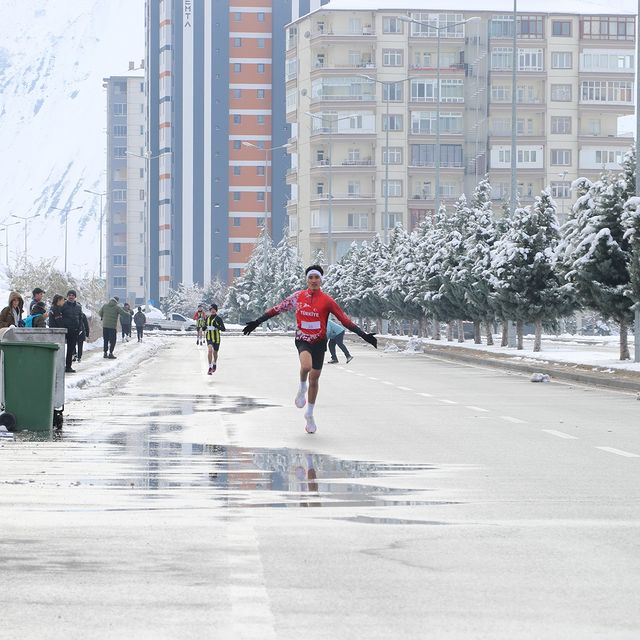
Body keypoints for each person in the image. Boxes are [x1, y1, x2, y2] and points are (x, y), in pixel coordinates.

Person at [243, 265, 377, 434]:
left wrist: (363, 335)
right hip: (302, 339)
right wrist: (256, 322)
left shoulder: (327, 300)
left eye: (317, 278)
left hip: (319, 342)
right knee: (306, 367)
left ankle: (310, 414)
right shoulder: (298, 297)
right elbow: (277, 309)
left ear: (321, 280)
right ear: (307, 280)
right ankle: (301, 387)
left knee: (314, 380)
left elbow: (344, 320)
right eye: (311, 277)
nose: (314, 281)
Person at [61, 289, 83, 373]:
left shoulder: (78, 306)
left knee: (71, 349)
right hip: (64, 330)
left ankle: (68, 366)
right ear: (67, 296)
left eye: (73, 295)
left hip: (74, 330)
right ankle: (59, 365)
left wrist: (80, 328)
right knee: (61, 348)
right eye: (69, 295)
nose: (71, 297)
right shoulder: (63, 305)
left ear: (75, 297)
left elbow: (80, 318)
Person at [205, 304, 225, 374]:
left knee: (215, 352)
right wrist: (205, 327)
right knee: (210, 350)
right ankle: (210, 367)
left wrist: (216, 326)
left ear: (216, 310)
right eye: (211, 309)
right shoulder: (207, 318)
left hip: (216, 338)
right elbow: (205, 326)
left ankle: (214, 363)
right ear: (210, 310)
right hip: (209, 337)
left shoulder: (218, 318)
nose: (213, 310)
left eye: (214, 309)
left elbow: (223, 329)